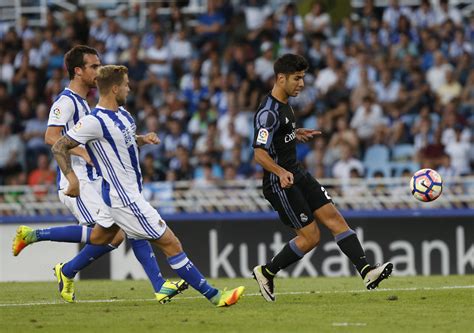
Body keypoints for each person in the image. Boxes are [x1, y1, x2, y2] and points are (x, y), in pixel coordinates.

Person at [49, 64, 244, 307]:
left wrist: (142, 139)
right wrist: (72, 178)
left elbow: (121, 144)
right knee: (171, 243)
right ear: (115, 88)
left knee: (100, 238)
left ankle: (62, 267)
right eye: (127, 85)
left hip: (125, 194)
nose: (130, 89)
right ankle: (216, 296)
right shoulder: (93, 121)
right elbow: (58, 145)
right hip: (125, 199)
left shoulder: (123, 115)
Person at [12, 46, 186, 304]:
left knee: (123, 228)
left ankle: (68, 269)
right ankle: (38, 240)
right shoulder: (66, 101)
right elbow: (51, 137)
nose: (98, 70)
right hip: (77, 180)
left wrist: (139, 139)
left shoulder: (87, 103)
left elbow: (103, 138)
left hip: (94, 179)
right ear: (78, 71)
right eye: (93, 66)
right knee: (114, 233)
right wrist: (79, 159)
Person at [251, 53, 393, 302]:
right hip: (280, 182)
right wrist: (280, 172)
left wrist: (294, 133)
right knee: (311, 237)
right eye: (297, 78)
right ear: (280, 78)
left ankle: (367, 271)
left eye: (303, 78)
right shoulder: (268, 113)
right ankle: (266, 271)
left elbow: (278, 136)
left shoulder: (285, 106)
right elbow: (259, 153)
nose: (302, 84)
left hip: (297, 174)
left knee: (336, 219)